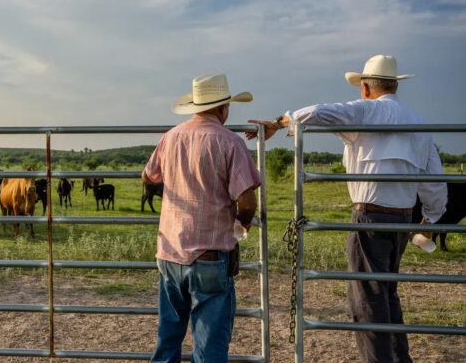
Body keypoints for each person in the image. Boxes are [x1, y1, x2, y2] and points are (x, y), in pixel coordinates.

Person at [246, 54, 447, 363]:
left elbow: (315, 112)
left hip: (369, 216)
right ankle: (399, 359)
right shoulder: (418, 122)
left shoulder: (364, 111)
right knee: (388, 294)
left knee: (367, 300)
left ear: (365, 87)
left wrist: (280, 122)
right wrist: (428, 219)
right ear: (395, 85)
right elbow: (434, 183)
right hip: (404, 218)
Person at [143, 74, 261, 362]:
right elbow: (246, 200)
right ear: (224, 108)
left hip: (170, 253)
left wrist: (173, 191)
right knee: (209, 347)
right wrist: (242, 223)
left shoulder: (170, 137)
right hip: (210, 256)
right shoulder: (230, 142)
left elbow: (148, 176)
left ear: (195, 106)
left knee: (168, 337)